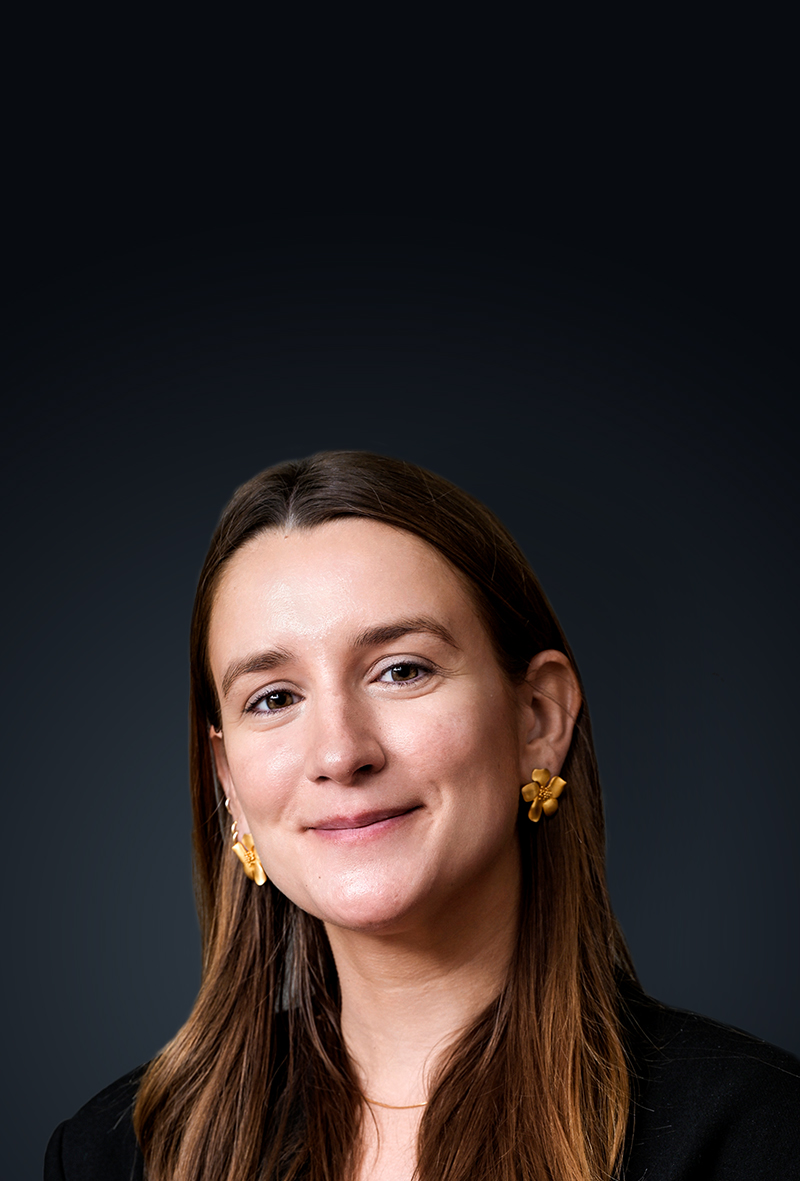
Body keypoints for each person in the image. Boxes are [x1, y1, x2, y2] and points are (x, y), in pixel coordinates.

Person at [45, 451, 800, 1180]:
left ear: (538, 719)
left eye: (401, 670)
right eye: (273, 698)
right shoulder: (112, 1155)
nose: (340, 752)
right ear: (229, 783)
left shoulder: (757, 1137)